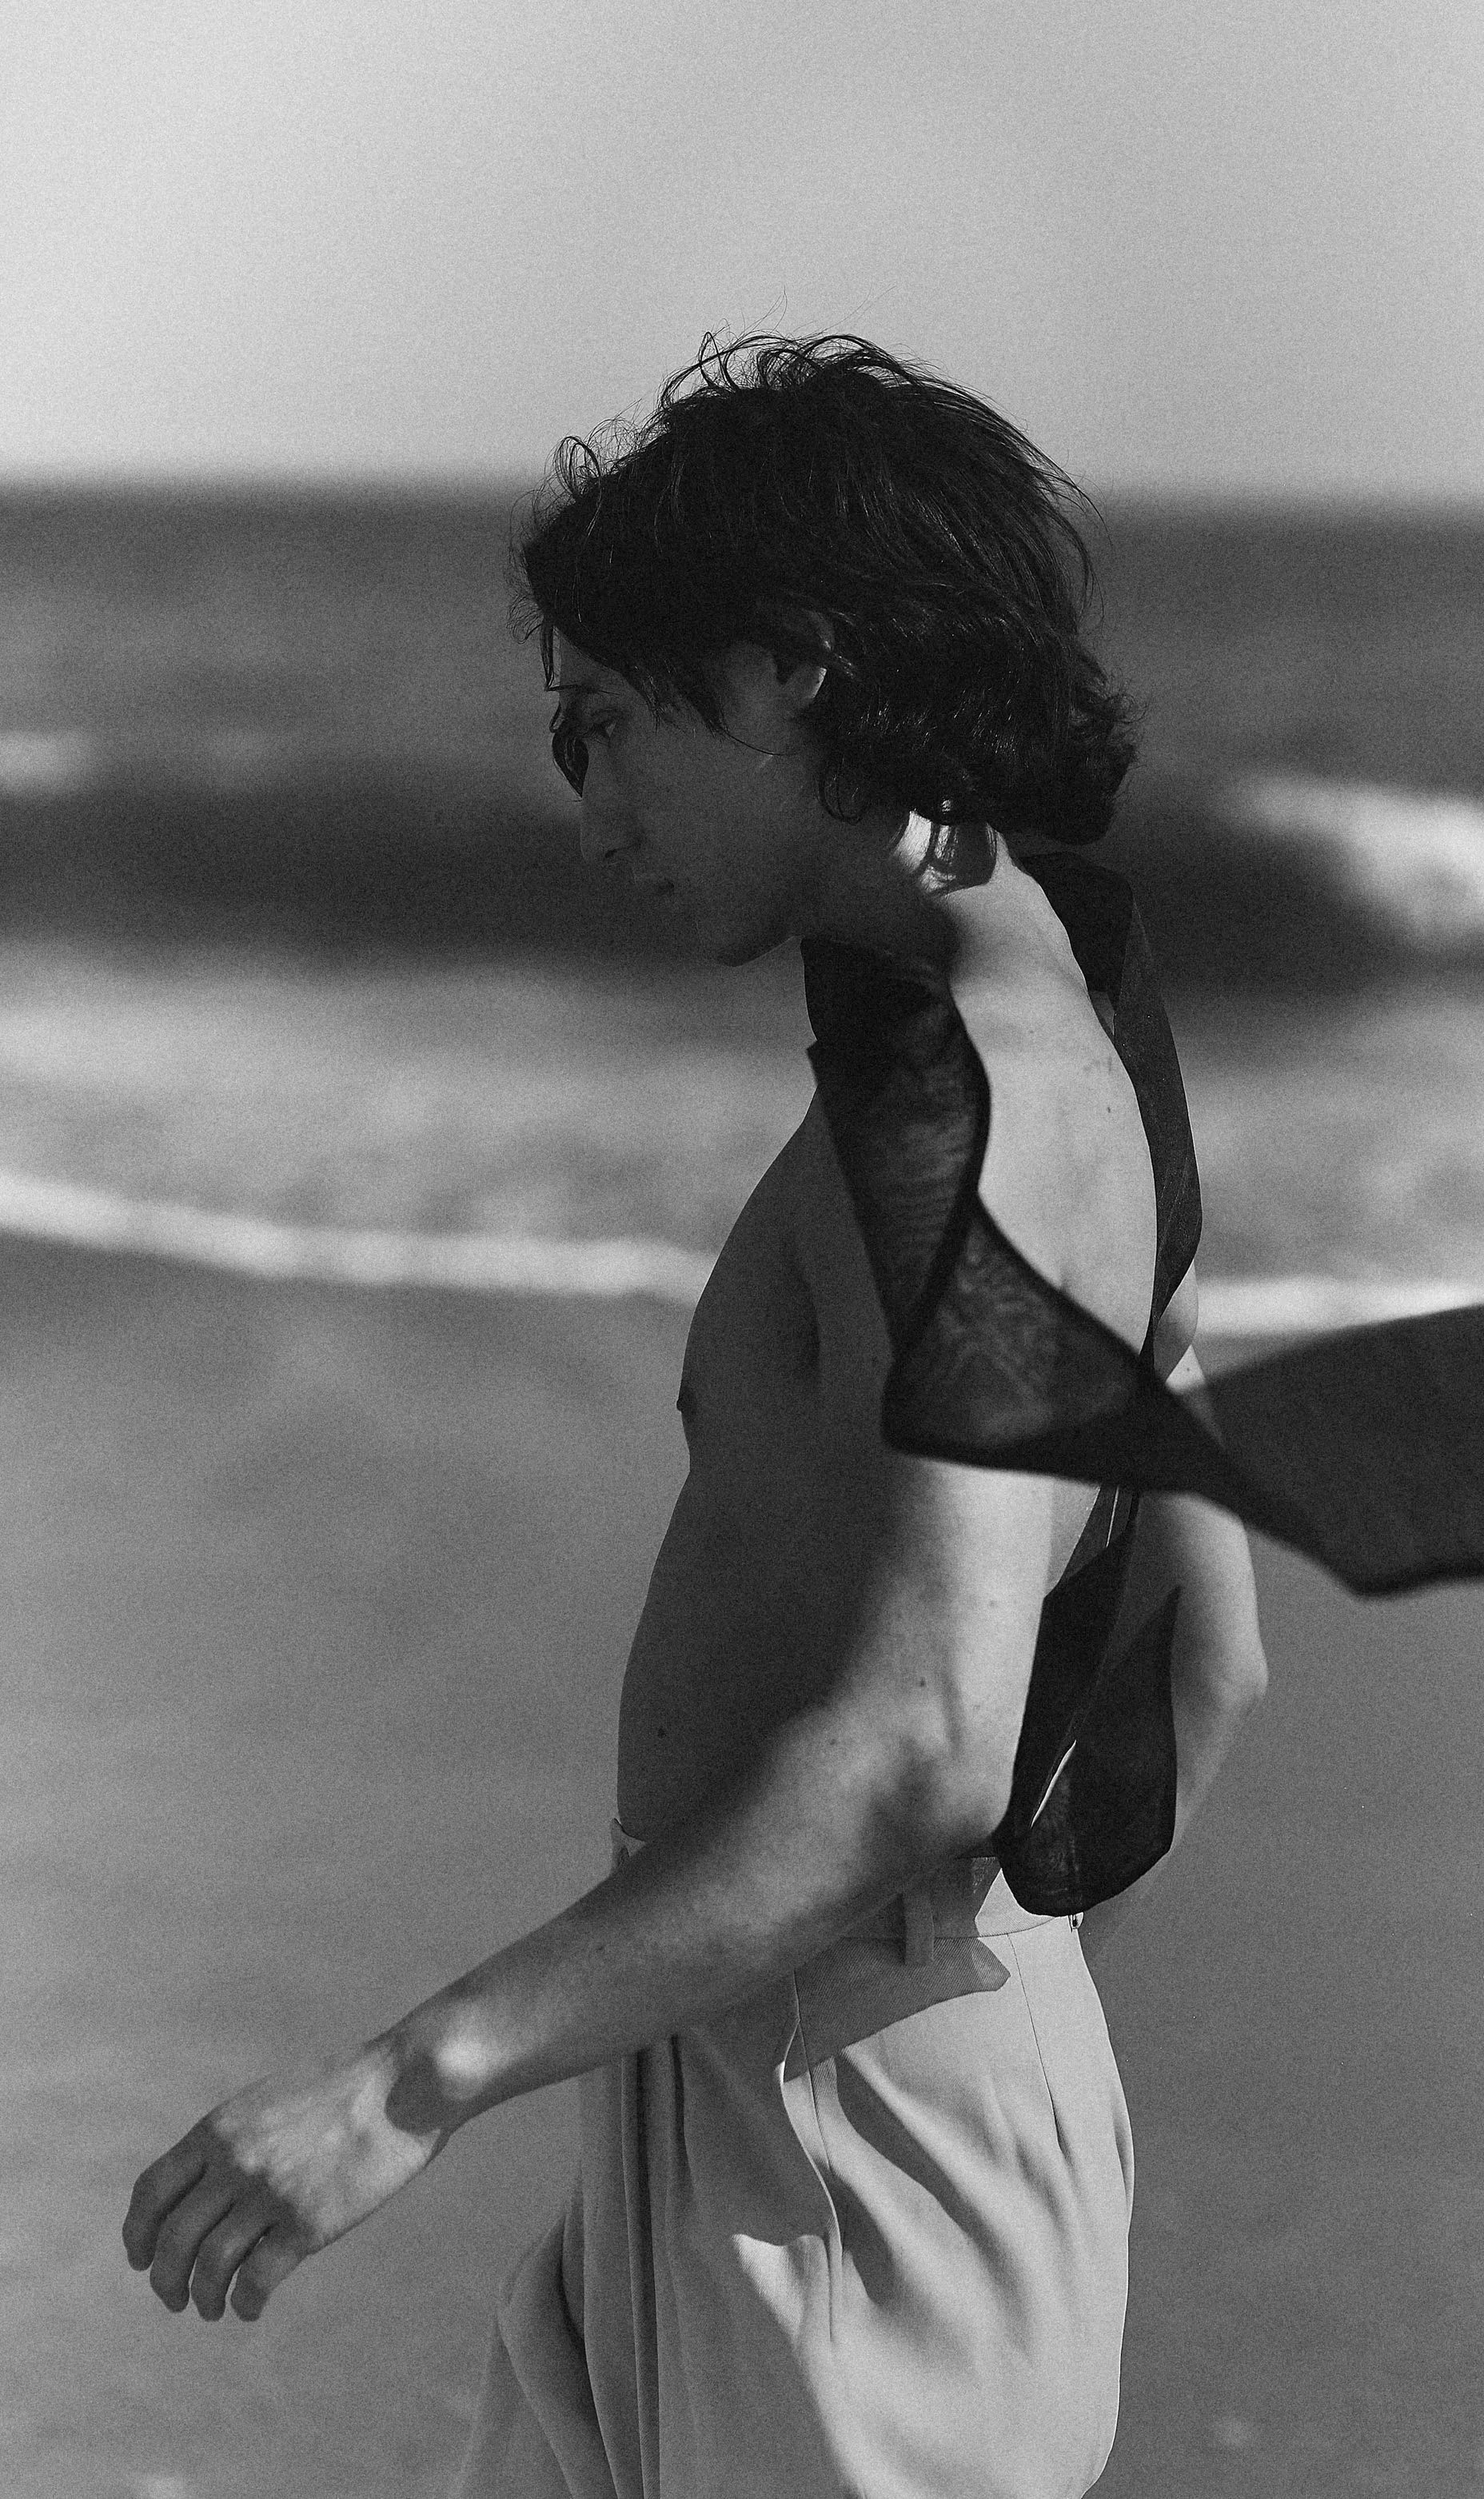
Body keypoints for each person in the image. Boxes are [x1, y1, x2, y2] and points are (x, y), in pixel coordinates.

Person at [124, 333, 1425, 2496]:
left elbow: (930, 1750)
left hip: (836, 2178)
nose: (586, 806)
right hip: (798, 2102)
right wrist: (975, 2009)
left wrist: (406, 2083)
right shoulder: (1069, 1017)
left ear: (788, 671)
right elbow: (1212, 1652)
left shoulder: (971, 1112)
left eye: (608, 724)